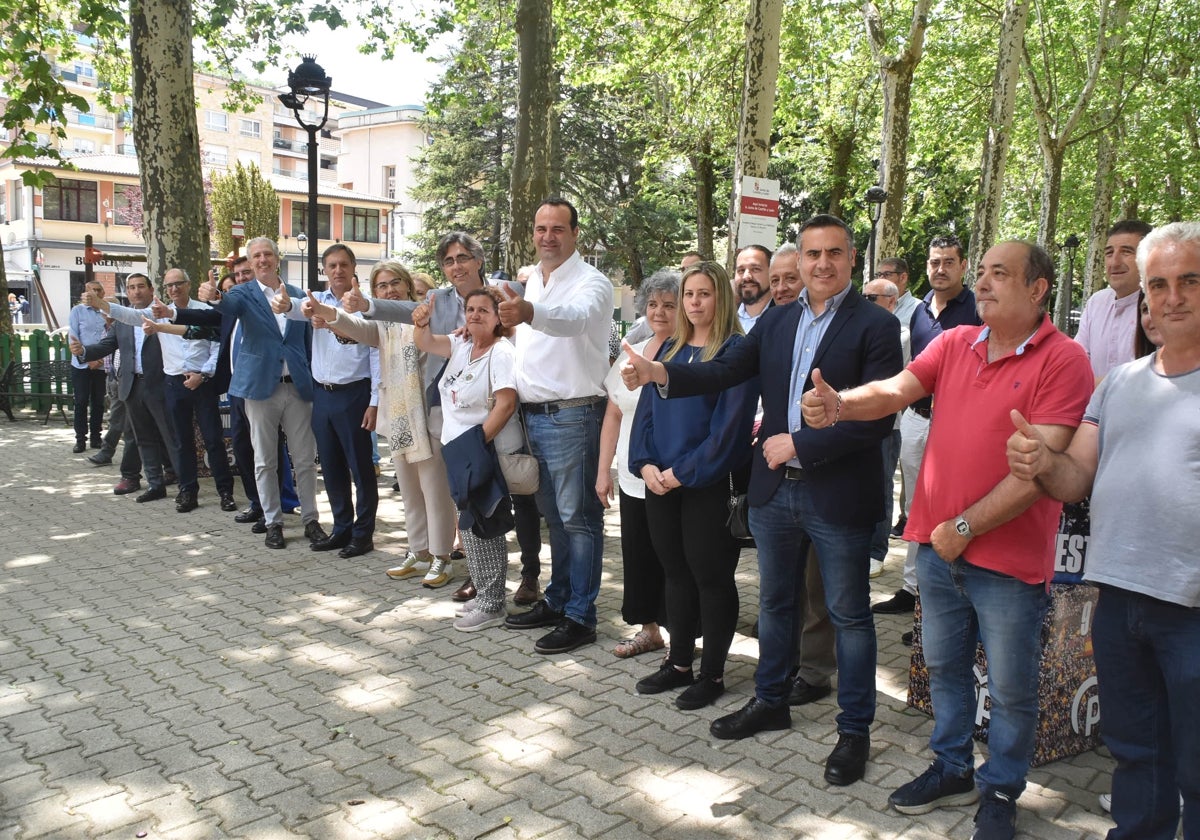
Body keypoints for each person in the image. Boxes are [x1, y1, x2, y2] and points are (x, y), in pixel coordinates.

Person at [802, 240, 1093, 840]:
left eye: (998, 275)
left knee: (1012, 688)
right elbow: (896, 389)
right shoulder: (957, 343)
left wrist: (964, 528)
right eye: (981, 273)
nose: (981, 284)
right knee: (945, 668)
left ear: (1038, 290)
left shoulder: (1065, 360)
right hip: (937, 547)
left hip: (1003, 559)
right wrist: (840, 405)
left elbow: (1041, 472)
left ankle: (1001, 789)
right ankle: (952, 765)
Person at [622, 214, 903, 786]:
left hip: (837, 495)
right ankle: (769, 701)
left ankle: (854, 731)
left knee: (849, 616)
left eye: (834, 253)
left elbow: (879, 418)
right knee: (776, 605)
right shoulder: (775, 322)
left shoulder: (875, 326)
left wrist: (802, 441)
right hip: (775, 494)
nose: (822, 264)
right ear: (798, 261)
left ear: (852, 259)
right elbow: (725, 369)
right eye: (811, 254)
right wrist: (662, 372)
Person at [1006, 222, 1199, 840]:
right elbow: (1075, 477)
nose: (1172, 298)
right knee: (1135, 754)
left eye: (1189, 281)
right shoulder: (1118, 383)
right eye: (1158, 285)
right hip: (1116, 599)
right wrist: (1042, 461)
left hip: (1191, 610)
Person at [628, 262, 757, 710]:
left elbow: (729, 431)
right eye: (689, 294)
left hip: (705, 483)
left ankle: (713, 674)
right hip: (659, 482)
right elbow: (645, 415)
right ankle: (679, 662)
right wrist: (643, 465)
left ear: (722, 298)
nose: (695, 303)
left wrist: (682, 472)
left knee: (711, 577)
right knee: (674, 573)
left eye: (704, 294)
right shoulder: (672, 350)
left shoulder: (735, 352)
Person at [498, 198, 614, 656]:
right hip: (534, 416)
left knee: (580, 520)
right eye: (541, 228)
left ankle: (581, 617)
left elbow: (576, 321)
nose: (548, 236)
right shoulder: (534, 282)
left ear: (575, 233)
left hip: (574, 415)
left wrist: (529, 313)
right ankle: (560, 599)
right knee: (558, 521)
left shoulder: (593, 283)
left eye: (558, 229)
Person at [347, 233, 487, 589]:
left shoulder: (423, 313)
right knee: (409, 489)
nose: (389, 290)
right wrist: (327, 314)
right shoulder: (384, 326)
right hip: (400, 418)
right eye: (382, 285)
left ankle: (442, 556)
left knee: (434, 488)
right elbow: (357, 327)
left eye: (395, 283)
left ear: (409, 287)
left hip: (430, 413)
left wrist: (367, 305)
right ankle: (418, 549)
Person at [173, 237, 327, 550]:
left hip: (297, 387)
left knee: (305, 460)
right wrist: (215, 295)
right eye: (256, 256)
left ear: (277, 258)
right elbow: (225, 305)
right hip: (260, 388)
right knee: (265, 460)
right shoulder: (242, 293)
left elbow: (308, 340)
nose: (262, 260)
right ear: (250, 261)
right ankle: (273, 523)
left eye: (267, 254)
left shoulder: (298, 295)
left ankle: (311, 519)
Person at [874, 236, 974, 617]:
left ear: (963, 265)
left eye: (949, 261)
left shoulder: (976, 309)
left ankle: (946, 598)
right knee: (916, 506)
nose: (941, 269)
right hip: (917, 419)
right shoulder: (919, 312)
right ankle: (912, 590)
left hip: (958, 424)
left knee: (953, 507)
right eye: (934, 262)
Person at [414, 287, 523, 631]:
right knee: (468, 525)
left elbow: (506, 403)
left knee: (484, 523)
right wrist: (421, 322)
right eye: (471, 310)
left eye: (483, 311)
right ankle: (484, 591)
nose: (475, 315)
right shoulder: (462, 344)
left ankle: (493, 604)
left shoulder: (501, 352)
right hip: (456, 448)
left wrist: (477, 444)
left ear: (498, 318)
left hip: (479, 449)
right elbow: (426, 343)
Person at [597, 270, 678, 659]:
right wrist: (603, 472)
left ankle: (681, 637)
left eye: (669, 304)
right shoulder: (635, 348)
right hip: (631, 475)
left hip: (673, 477)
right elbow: (613, 414)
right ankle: (649, 630)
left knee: (674, 559)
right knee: (638, 554)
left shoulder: (690, 352)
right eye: (653, 304)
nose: (659, 311)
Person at [282, 244, 379, 558]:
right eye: (332, 266)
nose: (338, 271)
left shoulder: (363, 305)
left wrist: (374, 401)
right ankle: (342, 529)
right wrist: (284, 304)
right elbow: (295, 307)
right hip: (322, 395)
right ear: (324, 270)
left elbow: (376, 355)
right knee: (333, 468)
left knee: (361, 469)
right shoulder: (316, 302)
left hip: (355, 395)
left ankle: (363, 535)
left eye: (343, 265)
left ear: (353, 269)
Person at [117, 268, 236, 514]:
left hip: (202, 382)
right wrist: (101, 305)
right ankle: (188, 491)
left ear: (188, 284)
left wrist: (203, 374)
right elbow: (129, 316)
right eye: (169, 285)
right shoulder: (159, 312)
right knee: (181, 442)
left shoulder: (204, 310)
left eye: (178, 283)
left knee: (213, 440)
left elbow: (217, 346)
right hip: (173, 383)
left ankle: (226, 492)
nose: (174, 289)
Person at [77, 274, 177, 504]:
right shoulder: (123, 320)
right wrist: (83, 351)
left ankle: (184, 482)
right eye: (131, 288)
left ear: (152, 289)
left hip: (161, 385)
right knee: (140, 438)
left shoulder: (165, 313)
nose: (136, 291)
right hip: (131, 385)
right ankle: (152, 483)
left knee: (171, 436)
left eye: (141, 286)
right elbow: (107, 345)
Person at [1075, 220, 1154, 383]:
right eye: (1109, 253)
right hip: (1090, 407)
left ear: (1148, 258)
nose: (1114, 262)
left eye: (1126, 252)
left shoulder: (1161, 305)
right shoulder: (1097, 302)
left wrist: (1085, 387)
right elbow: (1077, 359)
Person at [68, 280, 109, 453]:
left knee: (98, 403)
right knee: (81, 401)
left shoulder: (107, 311)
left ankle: (96, 438)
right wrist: (87, 358)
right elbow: (73, 336)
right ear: (85, 293)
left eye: (99, 290)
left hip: (101, 364)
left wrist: (100, 358)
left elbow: (111, 337)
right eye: (92, 290)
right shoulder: (77, 311)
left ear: (103, 293)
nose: (95, 293)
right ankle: (80, 440)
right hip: (81, 365)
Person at [734, 245, 773, 332]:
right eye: (741, 270)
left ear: (771, 273)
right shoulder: (725, 318)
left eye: (755, 269)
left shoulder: (785, 318)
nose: (746, 277)